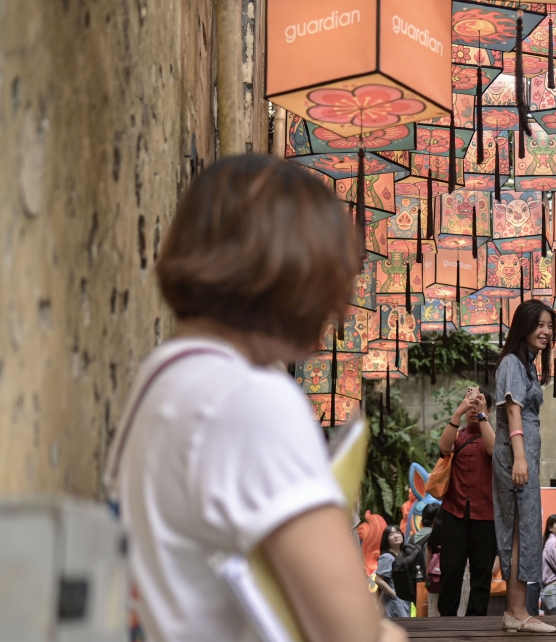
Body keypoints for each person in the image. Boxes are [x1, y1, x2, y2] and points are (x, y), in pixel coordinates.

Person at [104, 155, 403, 642]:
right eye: (334, 274)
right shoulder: (250, 400)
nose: (342, 306)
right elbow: (352, 633)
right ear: (288, 269)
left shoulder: (164, 377)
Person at [493, 299, 556, 634]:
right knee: (518, 531)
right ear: (524, 325)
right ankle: (516, 612)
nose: (546, 332)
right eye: (540, 325)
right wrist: (519, 456)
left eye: (550, 326)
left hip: (525, 456)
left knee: (524, 533)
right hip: (515, 455)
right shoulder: (512, 363)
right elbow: (512, 411)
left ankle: (517, 612)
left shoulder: (527, 364)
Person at [436, 387, 497, 616]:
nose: (474, 410)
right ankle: (446, 620)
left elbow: (492, 450)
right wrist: (457, 412)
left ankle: (476, 621)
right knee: (450, 569)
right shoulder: (458, 434)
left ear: (489, 410)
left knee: (482, 572)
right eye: (470, 405)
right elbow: (444, 448)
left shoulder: (494, 436)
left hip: (486, 514)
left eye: (479, 405)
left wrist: (482, 416)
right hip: (454, 511)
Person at [375, 525, 412, 618]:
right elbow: (378, 580)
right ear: (386, 539)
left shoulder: (403, 555)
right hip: (393, 601)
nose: (396, 536)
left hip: (403, 599)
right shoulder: (387, 557)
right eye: (391, 534)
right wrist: (394, 595)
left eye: (398, 532)